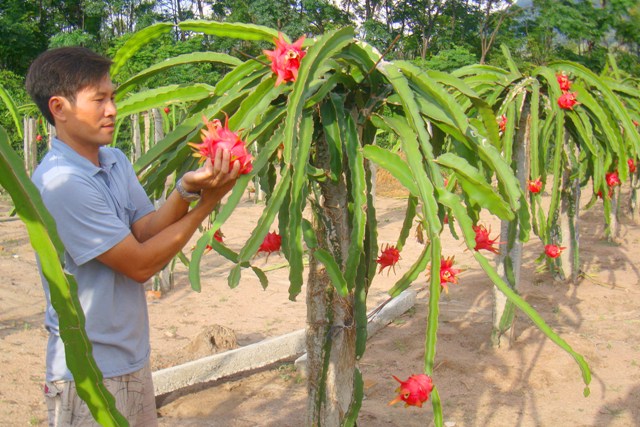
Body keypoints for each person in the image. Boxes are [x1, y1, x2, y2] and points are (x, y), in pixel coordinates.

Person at [26, 46, 240, 426]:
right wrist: (208, 205)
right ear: (59, 108)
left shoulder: (114, 160)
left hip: (131, 358)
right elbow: (140, 265)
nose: (112, 109)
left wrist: (187, 189)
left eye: (113, 97)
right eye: (99, 100)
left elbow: (144, 231)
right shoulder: (61, 183)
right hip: (88, 373)